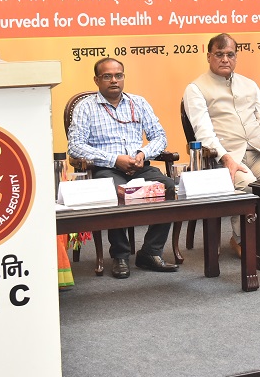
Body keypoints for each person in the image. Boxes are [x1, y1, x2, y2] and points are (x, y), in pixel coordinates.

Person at [66, 57, 178, 279]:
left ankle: (150, 252)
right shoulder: (85, 107)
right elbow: (75, 146)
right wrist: (114, 159)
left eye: (118, 75)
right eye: (107, 76)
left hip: (140, 166)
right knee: (115, 194)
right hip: (107, 169)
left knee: (168, 188)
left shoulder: (139, 103)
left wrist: (143, 154)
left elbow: (160, 137)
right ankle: (120, 255)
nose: (114, 80)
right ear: (97, 80)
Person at [183, 33, 260, 260]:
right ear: (209, 56)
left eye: (230, 54)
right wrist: (226, 158)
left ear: (236, 57)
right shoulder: (196, 88)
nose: (225, 59)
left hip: (258, 153)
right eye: (219, 54)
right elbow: (203, 132)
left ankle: (258, 236)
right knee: (249, 185)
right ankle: (244, 240)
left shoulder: (249, 84)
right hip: (225, 158)